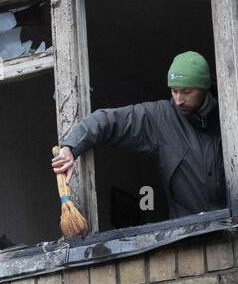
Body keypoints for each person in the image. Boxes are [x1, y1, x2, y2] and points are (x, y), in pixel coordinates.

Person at [51, 51, 226, 219]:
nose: (178, 100)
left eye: (186, 92)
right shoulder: (161, 117)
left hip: (233, 230)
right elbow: (106, 120)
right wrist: (70, 147)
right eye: (174, 90)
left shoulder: (230, 115)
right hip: (189, 235)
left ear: (204, 88)